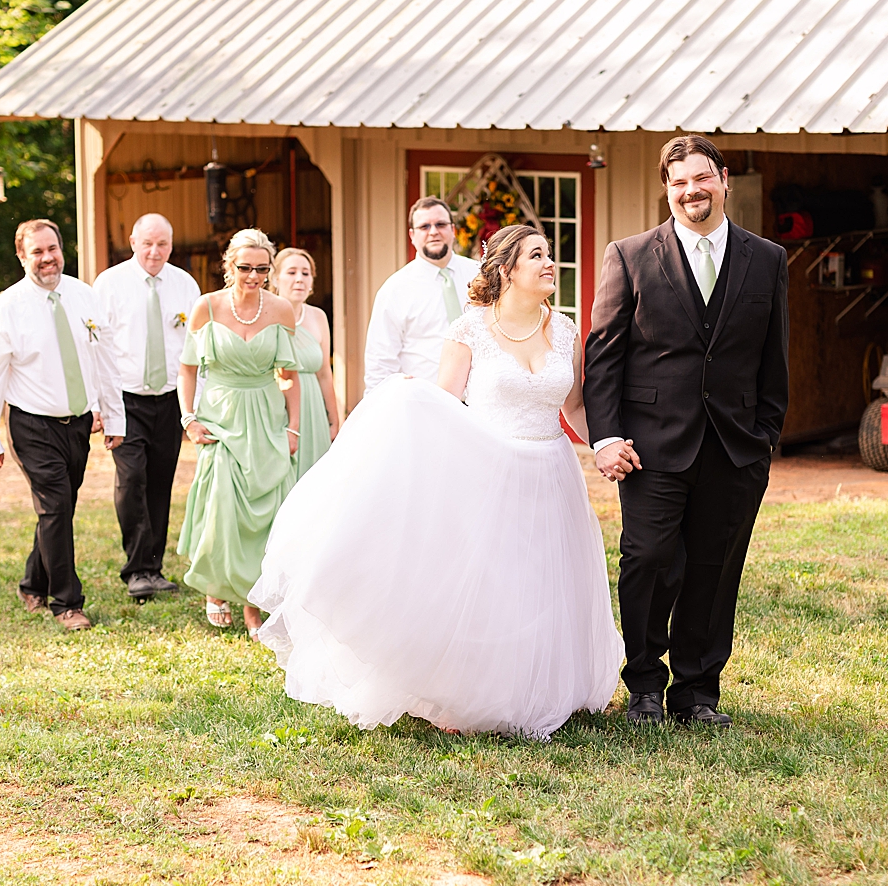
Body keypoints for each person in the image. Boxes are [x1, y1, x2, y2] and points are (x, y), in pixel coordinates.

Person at [251, 224, 623, 740]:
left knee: (547, 582)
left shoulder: (563, 329)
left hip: (553, 472)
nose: (549, 264)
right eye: (537, 256)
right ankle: (470, 692)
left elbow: (575, 407)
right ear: (507, 269)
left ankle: (544, 687)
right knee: (490, 583)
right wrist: (407, 399)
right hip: (490, 469)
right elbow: (445, 402)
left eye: (549, 255)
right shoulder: (468, 329)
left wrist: (605, 445)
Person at [584, 135, 789, 729]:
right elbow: (604, 356)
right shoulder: (629, 255)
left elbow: (773, 358)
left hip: (734, 448)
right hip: (649, 447)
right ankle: (645, 684)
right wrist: (605, 437)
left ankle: (699, 691)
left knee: (714, 567)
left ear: (723, 180)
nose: (690, 191)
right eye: (677, 182)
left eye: (701, 178)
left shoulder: (766, 259)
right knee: (647, 561)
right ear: (666, 189)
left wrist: (764, 436)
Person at [0, 219, 125, 631]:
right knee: (56, 507)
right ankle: (67, 604)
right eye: (37, 252)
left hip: (78, 423)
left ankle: (32, 582)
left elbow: (105, 360)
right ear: (22, 257)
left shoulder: (84, 295)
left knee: (59, 510)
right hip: (31, 425)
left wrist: (113, 413)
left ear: (62, 249)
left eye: (52, 249)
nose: (47, 258)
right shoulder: (7, 307)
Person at [178, 228, 300, 637]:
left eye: (262, 269)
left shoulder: (282, 309)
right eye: (245, 267)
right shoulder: (206, 308)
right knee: (221, 508)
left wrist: (293, 428)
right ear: (229, 265)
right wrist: (189, 418)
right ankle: (216, 588)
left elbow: (290, 376)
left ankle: (254, 600)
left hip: (266, 416)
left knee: (266, 513)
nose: (253, 276)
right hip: (221, 418)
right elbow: (188, 368)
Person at [94, 213, 202, 601]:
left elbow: (197, 349)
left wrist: (195, 405)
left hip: (170, 398)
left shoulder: (185, 285)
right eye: (147, 243)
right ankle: (137, 568)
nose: (155, 252)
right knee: (131, 480)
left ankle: (153, 568)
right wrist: (98, 403)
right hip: (125, 398)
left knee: (160, 481)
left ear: (171, 245)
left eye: (163, 244)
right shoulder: (109, 284)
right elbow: (95, 348)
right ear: (133, 241)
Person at [362, 196, 481, 393]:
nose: (433, 232)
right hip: (425, 400)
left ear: (453, 230)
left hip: (481, 400)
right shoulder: (394, 290)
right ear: (412, 235)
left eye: (441, 224)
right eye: (424, 227)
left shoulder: (480, 275)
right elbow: (380, 361)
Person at [271, 247, 341, 476]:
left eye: (306, 273)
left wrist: (333, 420)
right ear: (275, 278)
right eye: (291, 272)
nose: (299, 279)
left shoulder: (318, 316)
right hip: (277, 409)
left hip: (314, 412)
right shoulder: (266, 317)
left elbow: (324, 373)